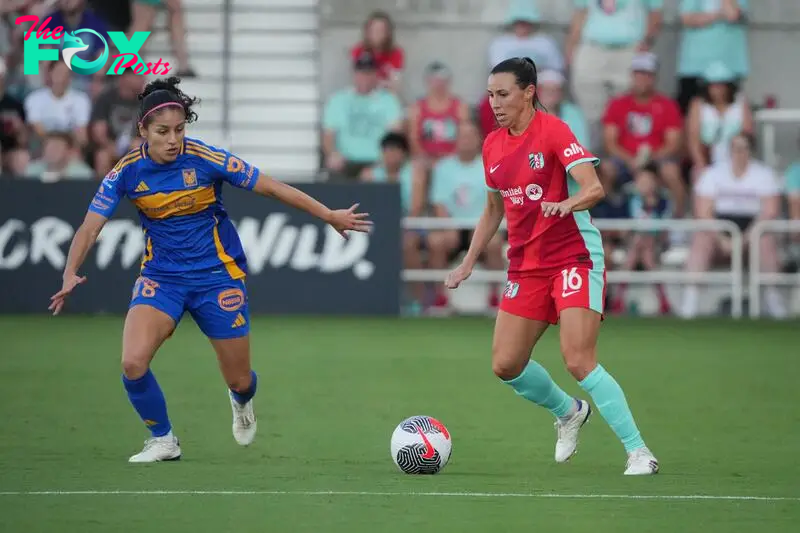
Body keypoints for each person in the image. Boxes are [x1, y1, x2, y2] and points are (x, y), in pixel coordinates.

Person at [48, 77, 372, 463]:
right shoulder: (126, 171)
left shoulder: (205, 158)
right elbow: (90, 227)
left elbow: (272, 187)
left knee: (240, 379)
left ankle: (241, 401)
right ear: (143, 131)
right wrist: (70, 272)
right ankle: (163, 440)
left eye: (180, 129)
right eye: (163, 132)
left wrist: (328, 215)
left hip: (217, 277)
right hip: (161, 279)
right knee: (132, 362)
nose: (173, 139)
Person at [445, 57, 658, 475]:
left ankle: (639, 452)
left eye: (503, 94)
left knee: (578, 358)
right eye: (490, 95)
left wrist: (567, 202)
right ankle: (568, 412)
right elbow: (493, 209)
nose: (495, 104)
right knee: (505, 364)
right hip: (526, 266)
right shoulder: (492, 145)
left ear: (529, 92)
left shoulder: (554, 131)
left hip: (573, 256)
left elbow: (594, 188)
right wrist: (467, 263)